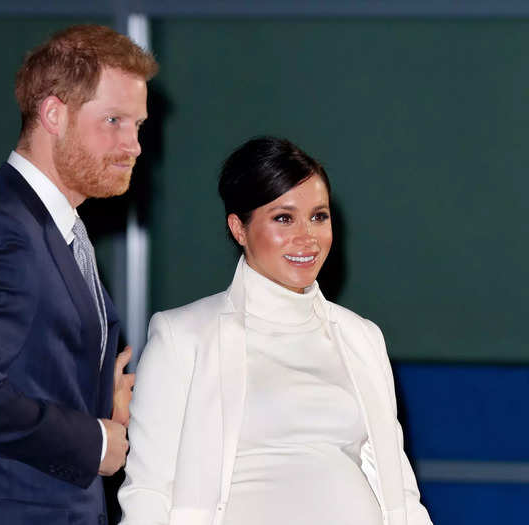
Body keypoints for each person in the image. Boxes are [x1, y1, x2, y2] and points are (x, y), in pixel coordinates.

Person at [118, 137, 433, 525]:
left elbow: (399, 489)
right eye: (284, 218)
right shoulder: (182, 336)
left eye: (319, 216)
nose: (307, 237)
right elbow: (148, 490)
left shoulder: (362, 337)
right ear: (239, 228)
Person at [0, 25, 158, 525]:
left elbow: (27, 376)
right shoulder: (3, 230)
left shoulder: (48, 227)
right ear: (53, 114)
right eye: (114, 120)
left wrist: (98, 399)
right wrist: (94, 441)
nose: (133, 145)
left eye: (138, 125)